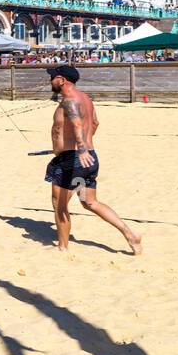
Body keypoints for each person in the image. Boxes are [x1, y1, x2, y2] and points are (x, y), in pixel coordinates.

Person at [44, 66, 141, 255]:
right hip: (89, 157)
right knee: (89, 202)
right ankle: (130, 234)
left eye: (52, 78)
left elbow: (77, 123)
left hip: (73, 160)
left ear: (62, 80)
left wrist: (79, 148)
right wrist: (85, 146)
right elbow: (95, 123)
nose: (50, 81)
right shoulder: (85, 99)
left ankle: (62, 247)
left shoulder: (69, 101)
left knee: (60, 205)